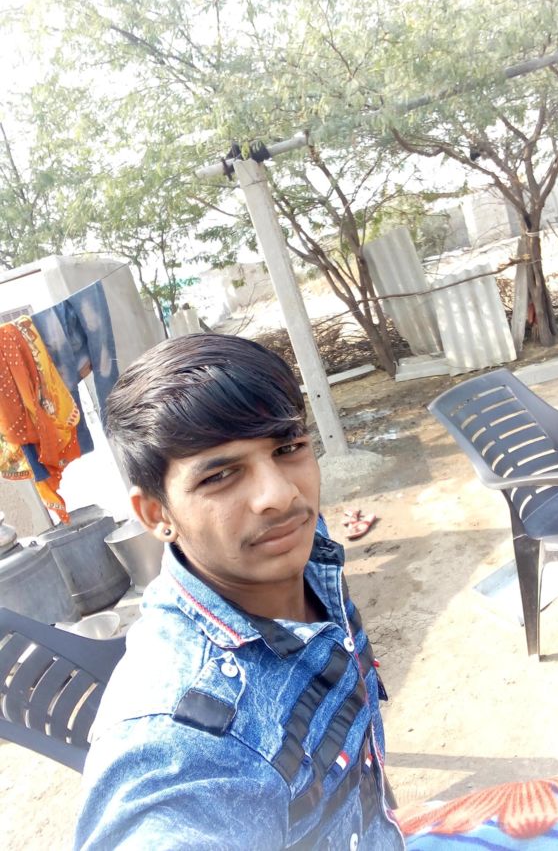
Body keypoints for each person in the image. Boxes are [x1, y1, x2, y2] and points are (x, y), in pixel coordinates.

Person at [74, 332, 404, 850]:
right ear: (156, 514)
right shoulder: (183, 737)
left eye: (288, 448)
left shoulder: (293, 546)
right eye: (221, 476)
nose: (280, 494)